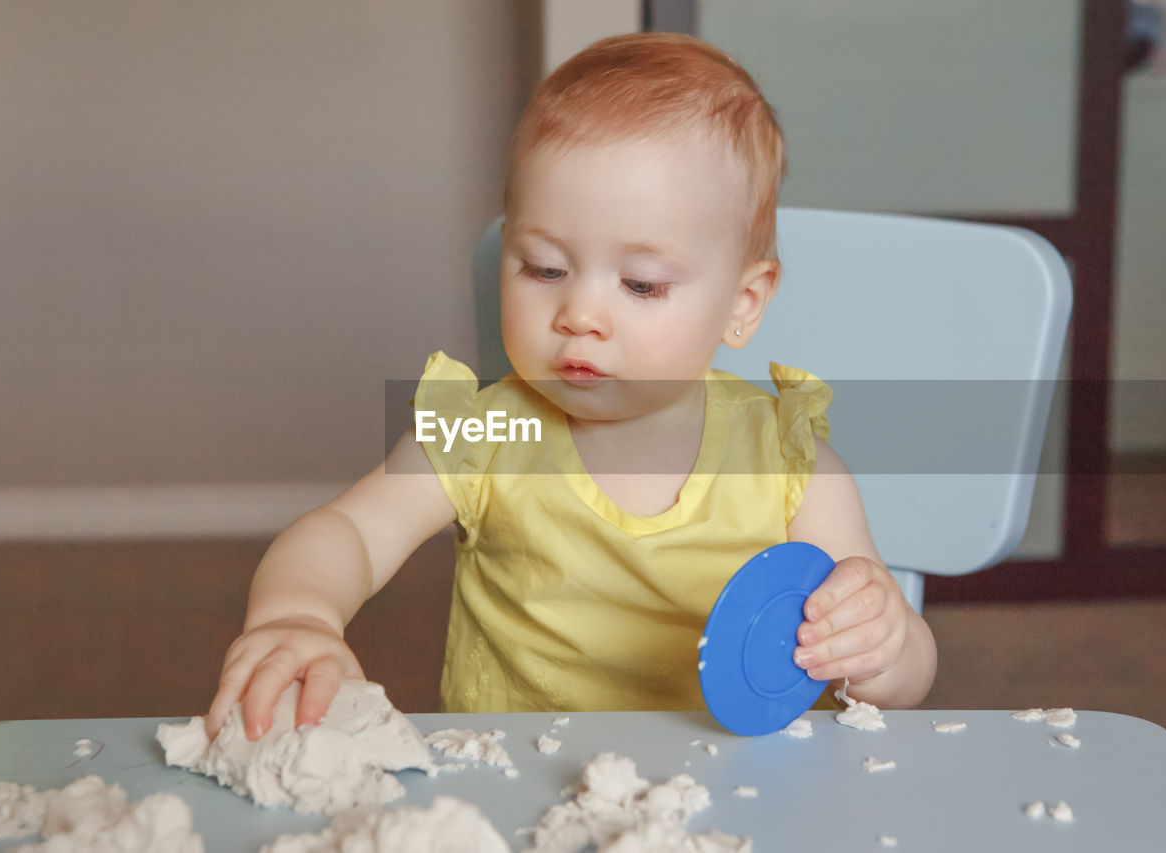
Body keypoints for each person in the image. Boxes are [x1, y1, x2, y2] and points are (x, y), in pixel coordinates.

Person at [206, 32, 937, 741]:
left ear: (743, 303)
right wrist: (296, 613)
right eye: (545, 268)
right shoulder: (494, 432)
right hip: (517, 780)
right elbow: (351, 531)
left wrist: (885, 645)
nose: (579, 315)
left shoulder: (786, 466)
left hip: (741, 789)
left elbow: (904, 682)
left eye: (641, 284)